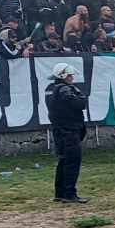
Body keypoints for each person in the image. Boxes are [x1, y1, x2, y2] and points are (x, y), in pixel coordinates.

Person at [46, 63, 89, 203]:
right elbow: (80, 103)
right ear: (63, 75)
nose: (72, 78)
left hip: (59, 129)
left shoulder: (50, 89)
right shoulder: (65, 89)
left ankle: (60, 193)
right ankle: (70, 193)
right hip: (69, 130)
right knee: (72, 161)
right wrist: (80, 97)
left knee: (63, 160)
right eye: (70, 75)